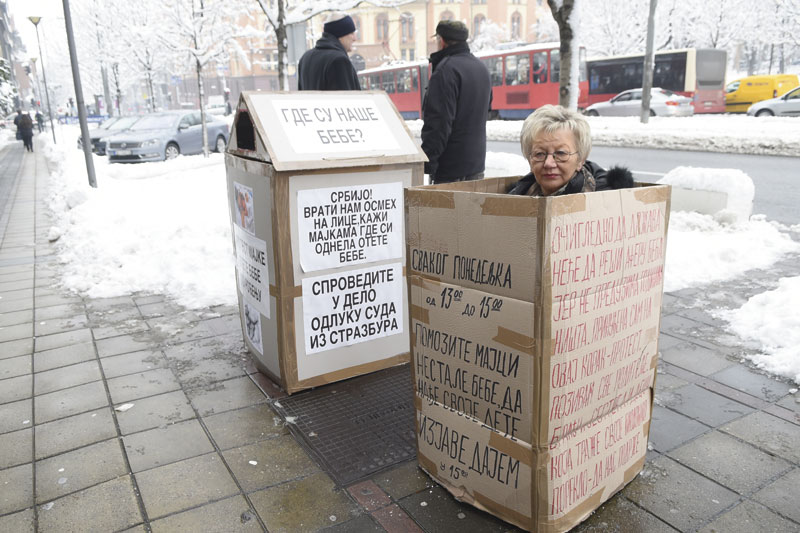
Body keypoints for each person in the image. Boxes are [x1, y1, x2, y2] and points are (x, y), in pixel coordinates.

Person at [421, 20, 492, 184]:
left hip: (450, 170)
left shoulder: (445, 71)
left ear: (442, 41)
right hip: (476, 167)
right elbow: (486, 110)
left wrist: (428, 162)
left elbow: (439, 124)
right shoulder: (481, 68)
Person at [508, 105, 633, 196]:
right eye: (539, 154)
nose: (549, 163)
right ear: (529, 159)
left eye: (561, 153)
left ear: (580, 160)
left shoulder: (605, 202)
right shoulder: (515, 199)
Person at [297, 12, 360, 91]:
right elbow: (346, 97)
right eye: (351, 33)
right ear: (340, 35)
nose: (355, 38)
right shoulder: (339, 60)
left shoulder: (305, 58)